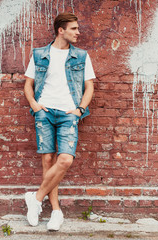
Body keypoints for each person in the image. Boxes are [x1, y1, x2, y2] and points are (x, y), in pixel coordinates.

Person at [23, 12, 95, 231]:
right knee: (48, 160)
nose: (78, 32)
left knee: (64, 160)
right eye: (74, 28)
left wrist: (79, 110)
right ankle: (55, 212)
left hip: (68, 113)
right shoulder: (39, 54)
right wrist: (35, 105)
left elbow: (89, 86)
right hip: (44, 111)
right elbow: (28, 84)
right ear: (60, 30)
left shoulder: (81, 56)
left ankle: (35, 198)